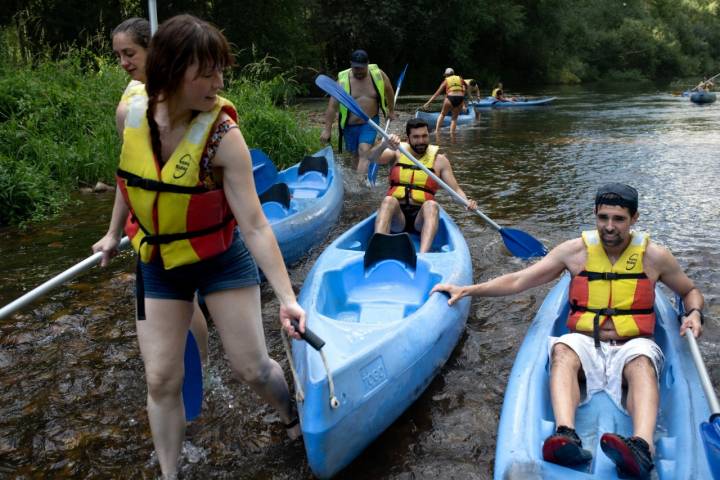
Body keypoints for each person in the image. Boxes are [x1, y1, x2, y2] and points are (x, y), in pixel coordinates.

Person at [94, 15, 305, 478]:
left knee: (251, 368)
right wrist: (114, 233)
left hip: (219, 260)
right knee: (162, 378)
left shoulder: (225, 139)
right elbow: (133, 180)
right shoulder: (131, 116)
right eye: (205, 73)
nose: (218, 82)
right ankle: (170, 474)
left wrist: (288, 299)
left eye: (219, 71)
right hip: (159, 263)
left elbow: (254, 225)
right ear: (170, 71)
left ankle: (291, 414)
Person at [432, 183, 704, 478]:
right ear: (595, 215)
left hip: (633, 343)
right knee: (561, 349)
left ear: (634, 218)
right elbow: (518, 281)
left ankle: (641, 448)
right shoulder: (574, 252)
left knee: (642, 361)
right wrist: (468, 290)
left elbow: (690, 291)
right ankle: (566, 435)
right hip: (586, 341)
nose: (609, 227)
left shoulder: (655, 257)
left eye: (618, 219)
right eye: (603, 218)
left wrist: (694, 314)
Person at [112, 17, 211, 366]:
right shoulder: (130, 104)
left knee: (185, 298)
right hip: (148, 229)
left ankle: (200, 364)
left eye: (130, 53)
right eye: (119, 55)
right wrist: (112, 233)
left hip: (180, 224)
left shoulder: (186, 94)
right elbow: (129, 175)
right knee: (179, 299)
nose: (124, 62)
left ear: (152, 51)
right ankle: (187, 368)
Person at [367, 117, 477, 253]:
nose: (421, 141)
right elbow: (371, 158)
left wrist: (466, 202)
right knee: (388, 200)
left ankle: (423, 255)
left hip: (420, 219)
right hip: (398, 218)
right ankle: (378, 251)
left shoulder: (440, 161)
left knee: (432, 205)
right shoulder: (397, 152)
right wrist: (384, 145)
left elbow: (455, 191)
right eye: (416, 137)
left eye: (424, 136)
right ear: (408, 138)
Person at [320, 49, 396, 174]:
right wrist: (327, 129)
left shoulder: (378, 75)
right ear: (351, 64)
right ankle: (359, 175)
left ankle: (360, 187)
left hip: (370, 122)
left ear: (368, 64)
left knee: (363, 150)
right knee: (355, 156)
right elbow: (332, 107)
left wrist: (391, 110)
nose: (359, 71)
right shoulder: (342, 81)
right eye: (356, 68)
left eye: (361, 68)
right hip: (350, 126)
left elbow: (389, 91)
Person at [423, 68, 467, 133]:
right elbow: (463, 91)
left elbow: (437, 93)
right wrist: (463, 105)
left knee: (443, 114)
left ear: (446, 75)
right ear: (453, 74)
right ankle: (452, 135)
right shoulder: (460, 79)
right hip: (460, 98)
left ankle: (437, 131)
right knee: (454, 119)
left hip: (450, 97)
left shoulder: (446, 81)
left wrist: (428, 102)